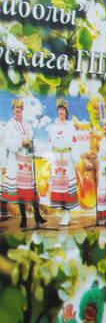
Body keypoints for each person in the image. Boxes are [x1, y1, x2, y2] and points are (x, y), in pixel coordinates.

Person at [3, 98, 43, 229]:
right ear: (13, 110)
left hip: (26, 160)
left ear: (22, 110)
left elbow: (31, 139)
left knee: (31, 188)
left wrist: (32, 146)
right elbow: (9, 144)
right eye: (16, 108)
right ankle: (24, 218)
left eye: (20, 108)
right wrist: (21, 143)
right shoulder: (10, 125)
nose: (18, 110)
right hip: (17, 162)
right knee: (20, 190)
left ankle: (38, 215)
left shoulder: (26, 124)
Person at [46, 99, 77, 227]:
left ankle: (67, 215)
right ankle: (64, 214)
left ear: (66, 112)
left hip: (67, 157)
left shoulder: (70, 126)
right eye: (59, 110)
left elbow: (74, 142)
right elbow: (50, 144)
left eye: (63, 110)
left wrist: (76, 158)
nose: (61, 112)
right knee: (59, 186)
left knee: (67, 186)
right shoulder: (53, 127)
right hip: (57, 158)